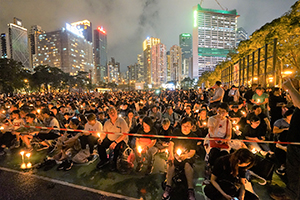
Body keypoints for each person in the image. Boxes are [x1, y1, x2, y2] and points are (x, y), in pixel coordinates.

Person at [270, 78, 300, 200]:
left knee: (295, 170)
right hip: (295, 141)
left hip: (298, 143)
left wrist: (290, 87)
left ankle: (291, 195)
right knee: (293, 170)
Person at [162, 117, 197, 200]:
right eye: (183, 125)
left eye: (188, 126)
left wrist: (185, 156)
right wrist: (171, 155)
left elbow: (192, 151)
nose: (185, 128)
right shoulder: (176, 132)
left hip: (187, 156)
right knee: (171, 164)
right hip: (176, 155)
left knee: (188, 166)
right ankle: (168, 187)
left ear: (191, 127)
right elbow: (171, 144)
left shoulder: (193, 136)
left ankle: (190, 190)